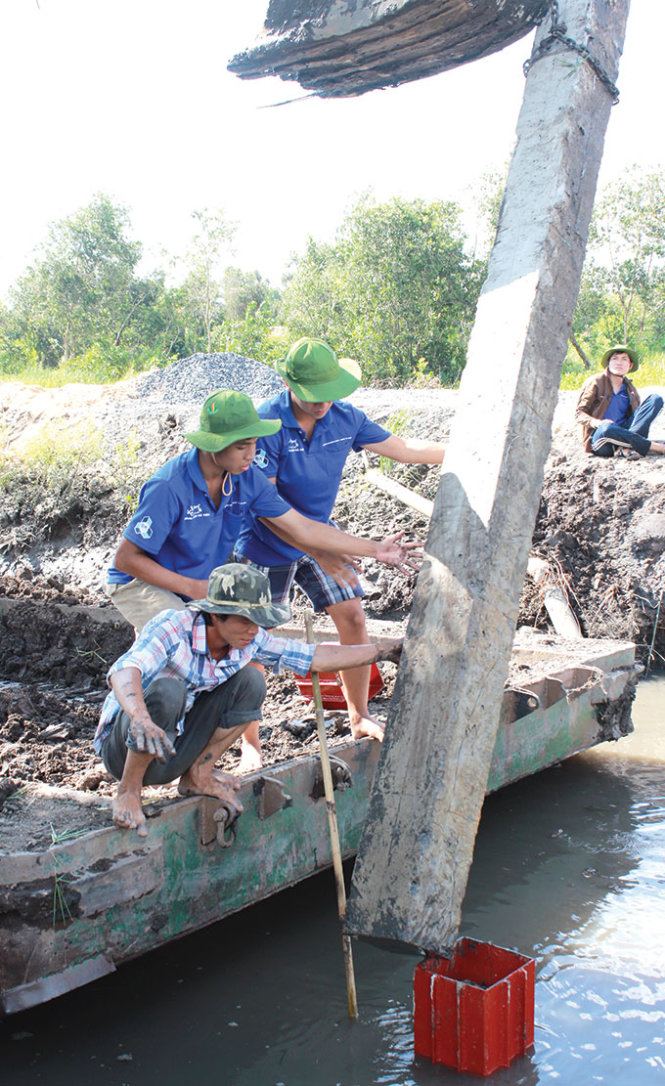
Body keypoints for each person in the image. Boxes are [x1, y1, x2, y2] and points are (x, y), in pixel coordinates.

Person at [106, 388, 416, 771]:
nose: (251, 455)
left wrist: (375, 549)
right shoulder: (169, 486)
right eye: (242, 447)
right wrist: (191, 591)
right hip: (145, 581)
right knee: (182, 645)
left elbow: (300, 528)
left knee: (231, 651)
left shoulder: (245, 479)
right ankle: (140, 748)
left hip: (198, 581)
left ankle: (196, 759)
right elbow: (126, 558)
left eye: (254, 445)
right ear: (214, 445)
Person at [234, 337, 445, 749]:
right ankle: (250, 744)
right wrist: (320, 551)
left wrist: (465, 453)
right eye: (313, 397)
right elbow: (269, 510)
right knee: (250, 638)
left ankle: (359, 716)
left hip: (322, 533)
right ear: (286, 382)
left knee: (352, 617)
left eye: (329, 395)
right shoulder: (267, 425)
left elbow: (403, 450)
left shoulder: (345, 418)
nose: (321, 405)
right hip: (266, 542)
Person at [96, 562, 402, 837]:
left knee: (251, 681)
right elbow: (124, 671)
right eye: (245, 620)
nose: (253, 630)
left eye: (258, 621)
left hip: (170, 749)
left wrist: (384, 651)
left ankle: (198, 774)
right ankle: (129, 791)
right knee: (168, 691)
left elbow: (313, 656)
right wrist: (139, 717)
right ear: (215, 615)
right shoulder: (174, 628)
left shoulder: (248, 639)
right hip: (124, 747)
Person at [575, 344, 665, 458]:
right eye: (615, 358)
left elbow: (638, 422)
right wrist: (595, 422)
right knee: (607, 427)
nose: (619, 362)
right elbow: (579, 414)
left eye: (624, 359)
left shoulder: (630, 390)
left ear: (630, 365)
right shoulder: (596, 382)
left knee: (655, 399)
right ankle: (658, 447)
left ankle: (626, 448)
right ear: (609, 363)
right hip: (601, 437)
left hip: (623, 434)